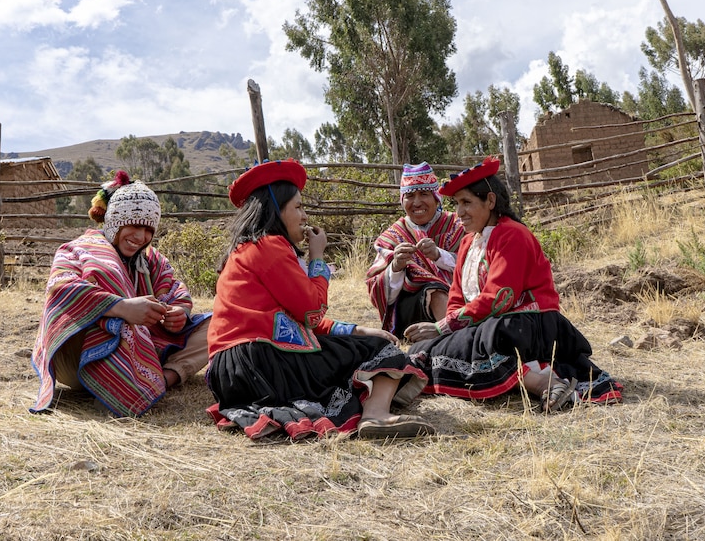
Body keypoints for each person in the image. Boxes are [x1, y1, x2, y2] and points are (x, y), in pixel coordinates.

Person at [206, 159, 434, 440]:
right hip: (262, 361)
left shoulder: (248, 250)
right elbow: (311, 312)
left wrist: (357, 330)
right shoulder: (270, 246)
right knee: (382, 351)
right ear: (276, 210)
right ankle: (376, 414)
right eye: (298, 207)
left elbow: (297, 322)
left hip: (234, 371)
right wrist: (317, 258)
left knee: (359, 346)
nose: (304, 217)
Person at [405, 157, 622, 412]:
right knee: (423, 349)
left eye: (466, 202)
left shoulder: (513, 235)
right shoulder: (467, 243)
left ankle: (544, 383)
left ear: (490, 201)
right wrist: (448, 330)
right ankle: (533, 378)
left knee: (488, 337)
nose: (459, 212)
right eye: (456, 204)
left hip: (527, 324)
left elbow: (499, 298)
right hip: (488, 324)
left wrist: (443, 326)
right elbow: (457, 296)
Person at [30, 171, 211, 417]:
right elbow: (61, 288)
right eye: (134, 226)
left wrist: (179, 312)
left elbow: (174, 290)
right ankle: (120, 382)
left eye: (148, 229)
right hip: (78, 356)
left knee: (216, 327)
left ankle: (163, 379)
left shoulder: (151, 261)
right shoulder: (76, 250)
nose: (141, 237)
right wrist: (122, 307)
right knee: (121, 322)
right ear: (115, 221)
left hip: (141, 351)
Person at [366, 162, 466, 338]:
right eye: (410, 196)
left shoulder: (459, 226)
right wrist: (396, 267)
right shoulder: (392, 238)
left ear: (436, 198)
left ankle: (453, 335)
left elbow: (475, 266)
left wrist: (439, 255)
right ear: (402, 200)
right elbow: (380, 295)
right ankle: (455, 338)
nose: (417, 203)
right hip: (414, 311)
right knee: (434, 291)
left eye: (424, 194)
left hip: (462, 304)